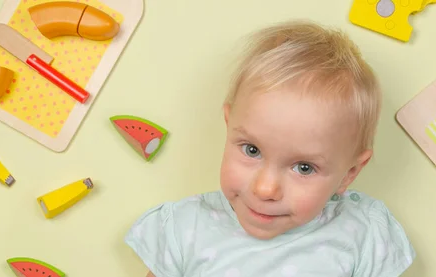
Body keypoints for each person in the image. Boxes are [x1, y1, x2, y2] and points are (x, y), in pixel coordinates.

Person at [124, 19, 415, 277]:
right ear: (229, 126)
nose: (265, 189)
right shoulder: (185, 230)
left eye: (304, 168)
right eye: (251, 150)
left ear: (349, 173)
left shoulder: (362, 235)